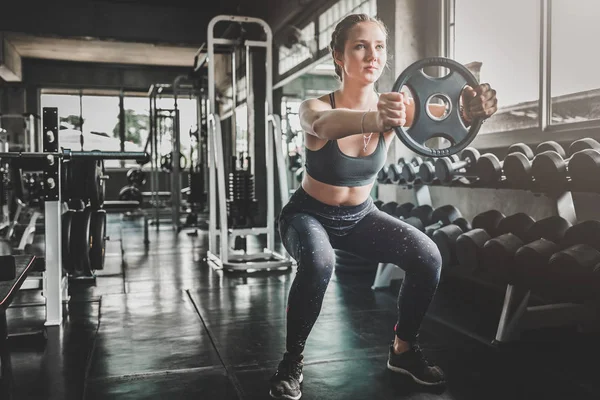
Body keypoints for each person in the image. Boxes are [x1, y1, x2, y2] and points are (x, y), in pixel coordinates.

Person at [269, 13, 498, 400]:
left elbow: (444, 116)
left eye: (379, 47)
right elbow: (323, 126)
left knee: (428, 255)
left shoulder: (397, 109)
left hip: (361, 216)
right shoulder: (314, 106)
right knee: (320, 261)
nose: (372, 55)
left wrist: (472, 112)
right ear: (339, 56)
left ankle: (403, 352)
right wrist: (374, 118)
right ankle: (292, 362)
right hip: (308, 214)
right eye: (360, 46)